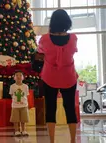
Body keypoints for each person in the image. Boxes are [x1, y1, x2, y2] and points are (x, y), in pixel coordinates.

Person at [37, 9, 78, 143]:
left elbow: (40, 52)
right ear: (67, 22)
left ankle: (52, 140)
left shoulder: (44, 39)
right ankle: (72, 140)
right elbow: (72, 51)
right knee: (70, 107)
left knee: (50, 108)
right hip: (69, 77)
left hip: (49, 77)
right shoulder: (73, 38)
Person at [9, 71, 29, 137]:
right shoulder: (12, 86)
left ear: (23, 77)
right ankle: (16, 131)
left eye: (20, 75)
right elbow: (12, 95)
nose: (18, 77)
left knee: (23, 119)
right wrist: (16, 101)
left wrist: (23, 102)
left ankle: (23, 130)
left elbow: (26, 95)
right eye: (16, 75)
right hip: (15, 106)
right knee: (15, 119)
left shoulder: (25, 86)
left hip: (24, 105)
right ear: (14, 77)